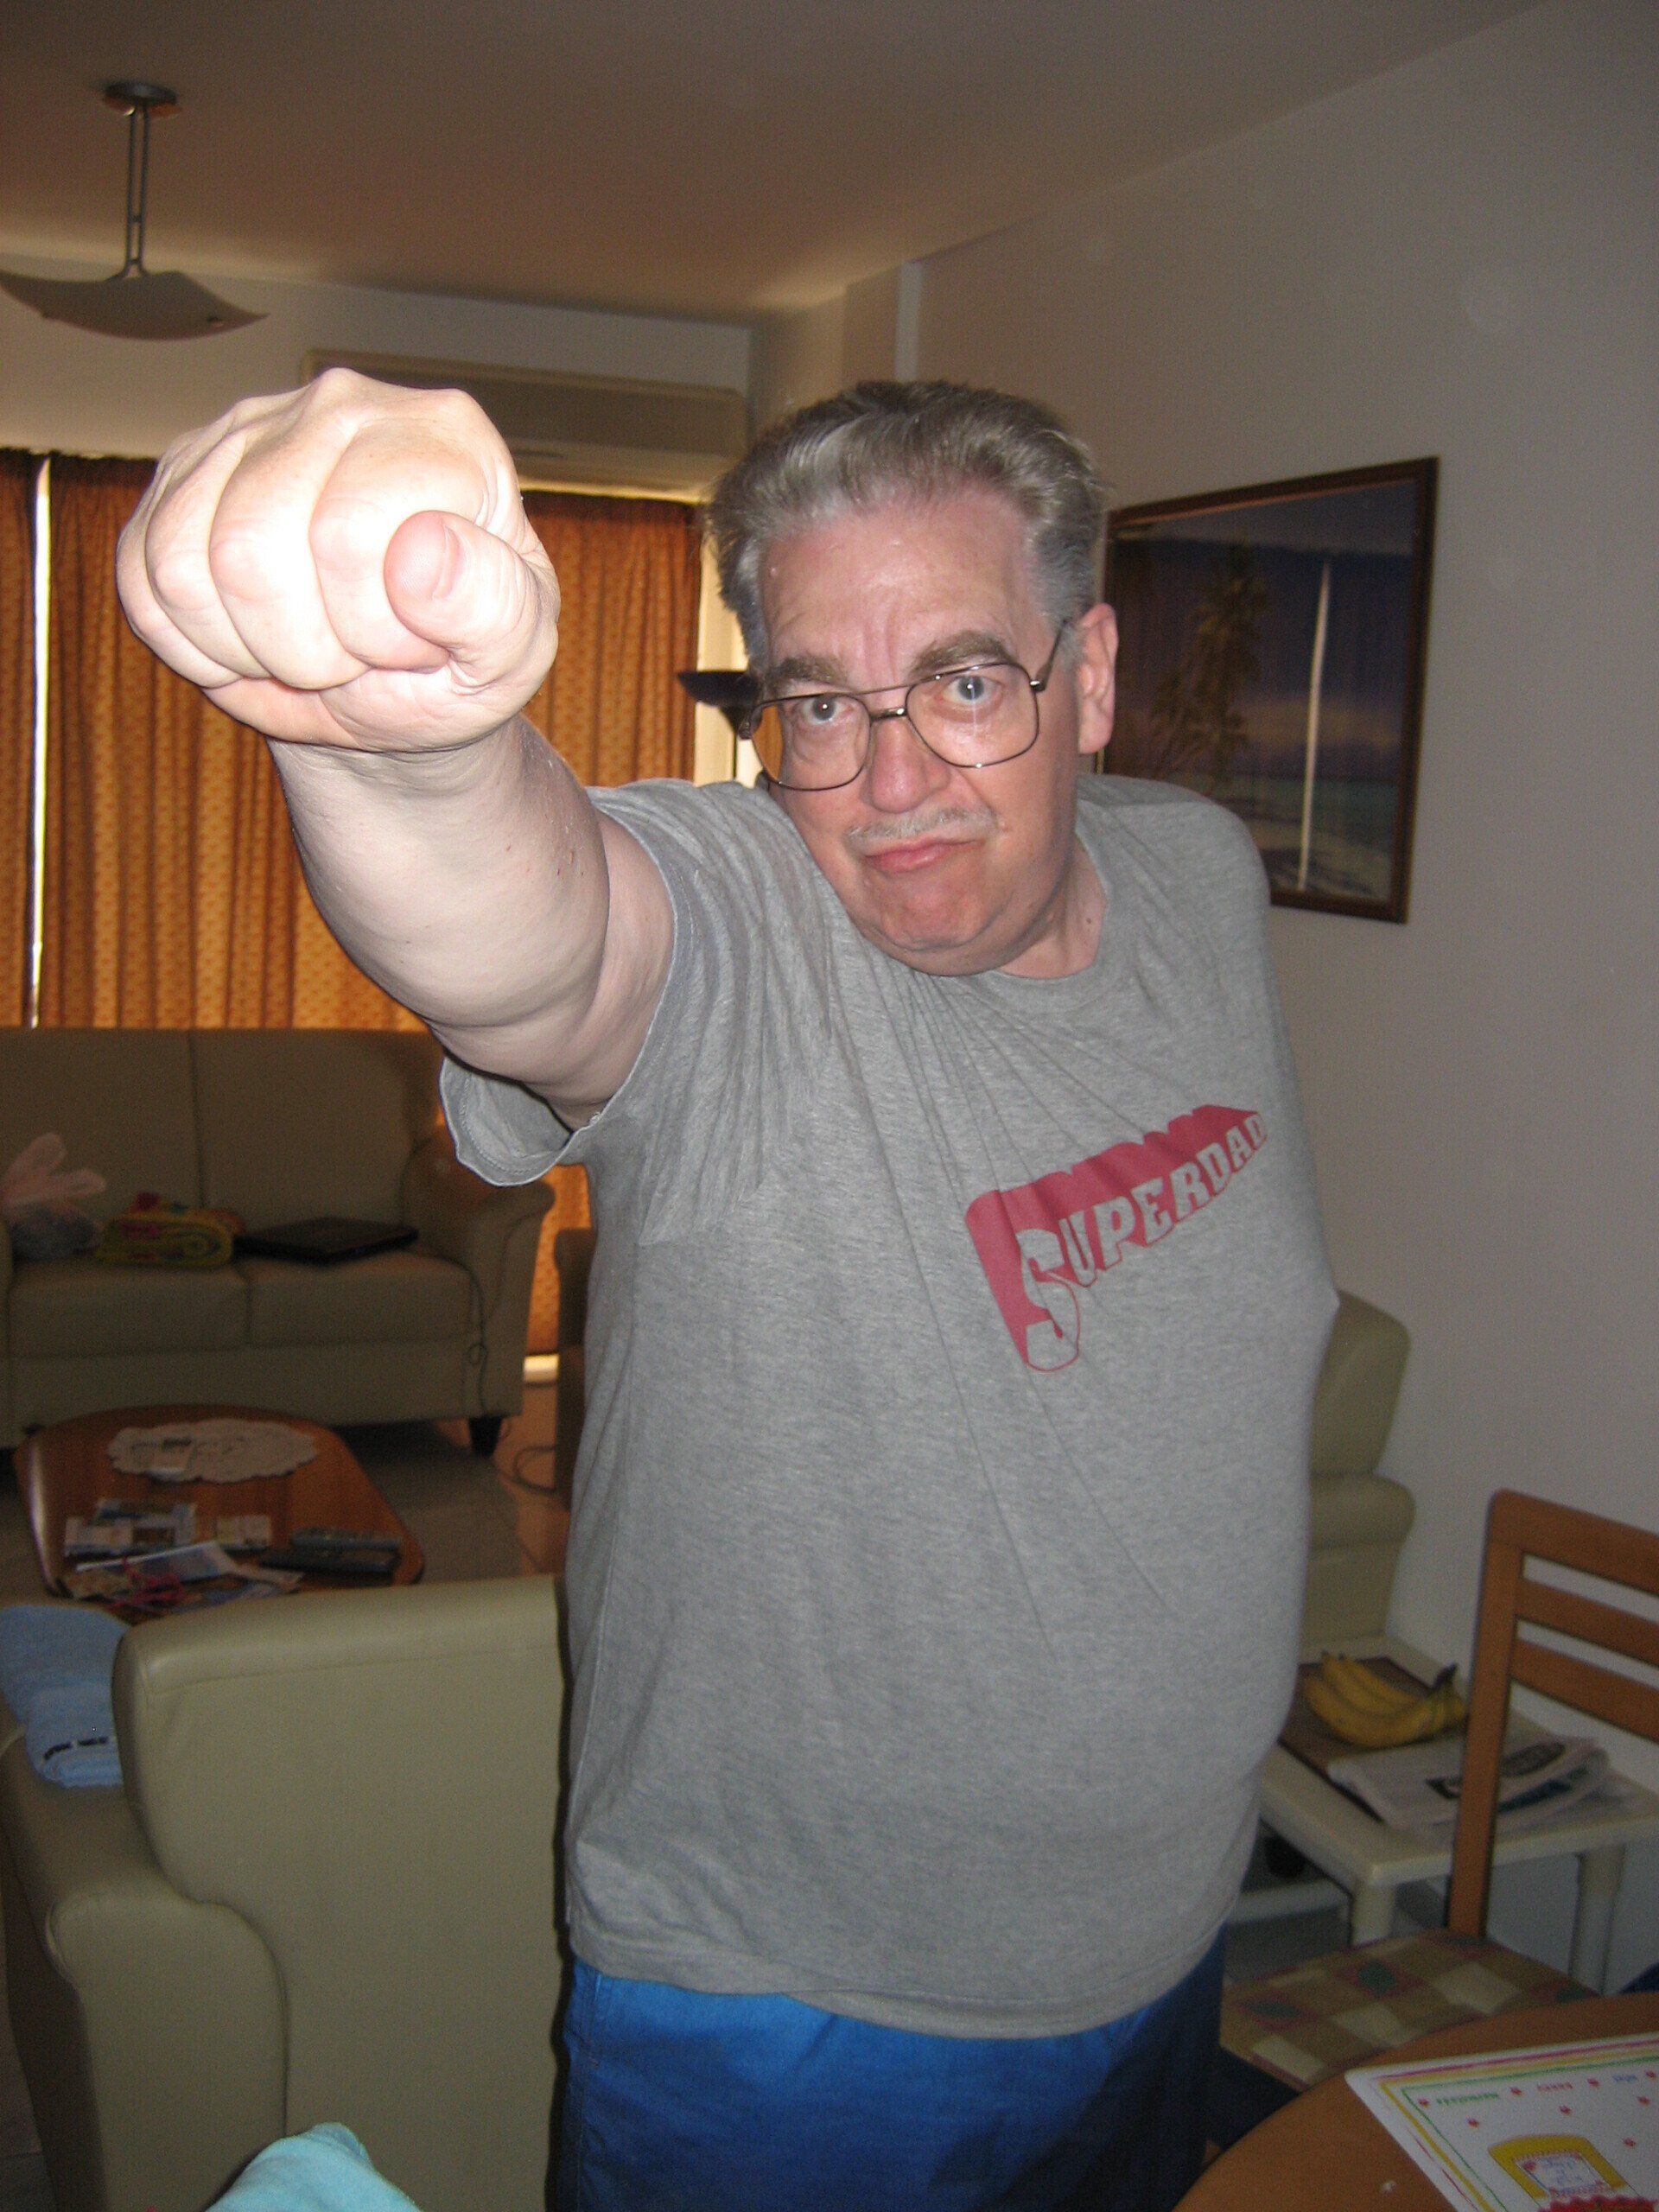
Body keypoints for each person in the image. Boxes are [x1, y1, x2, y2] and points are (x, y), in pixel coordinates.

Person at [118, 372, 1337, 2212]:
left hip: (1166, 1942)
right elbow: (549, 946)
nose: (888, 775)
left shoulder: (1202, 877)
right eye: (819, 704)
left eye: (963, 678)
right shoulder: (757, 933)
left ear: (1087, 677)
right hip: (793, 2028)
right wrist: (409, 748)